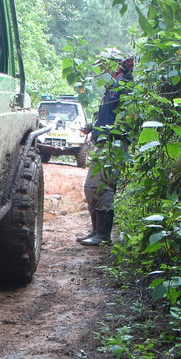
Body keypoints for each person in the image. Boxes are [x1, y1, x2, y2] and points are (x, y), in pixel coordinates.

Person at [77, 51, 134, 246]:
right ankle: (96, 231)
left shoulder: (124, 86)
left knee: (103, 187)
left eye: (104, 65)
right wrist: (93, 127)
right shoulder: (111, 86)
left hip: (113, 144)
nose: (101, 69)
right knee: (91, 187)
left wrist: (111, 134)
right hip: (103, 142)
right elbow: (108, 116)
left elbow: (127, 118)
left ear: (115, 64)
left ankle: (103, 235)